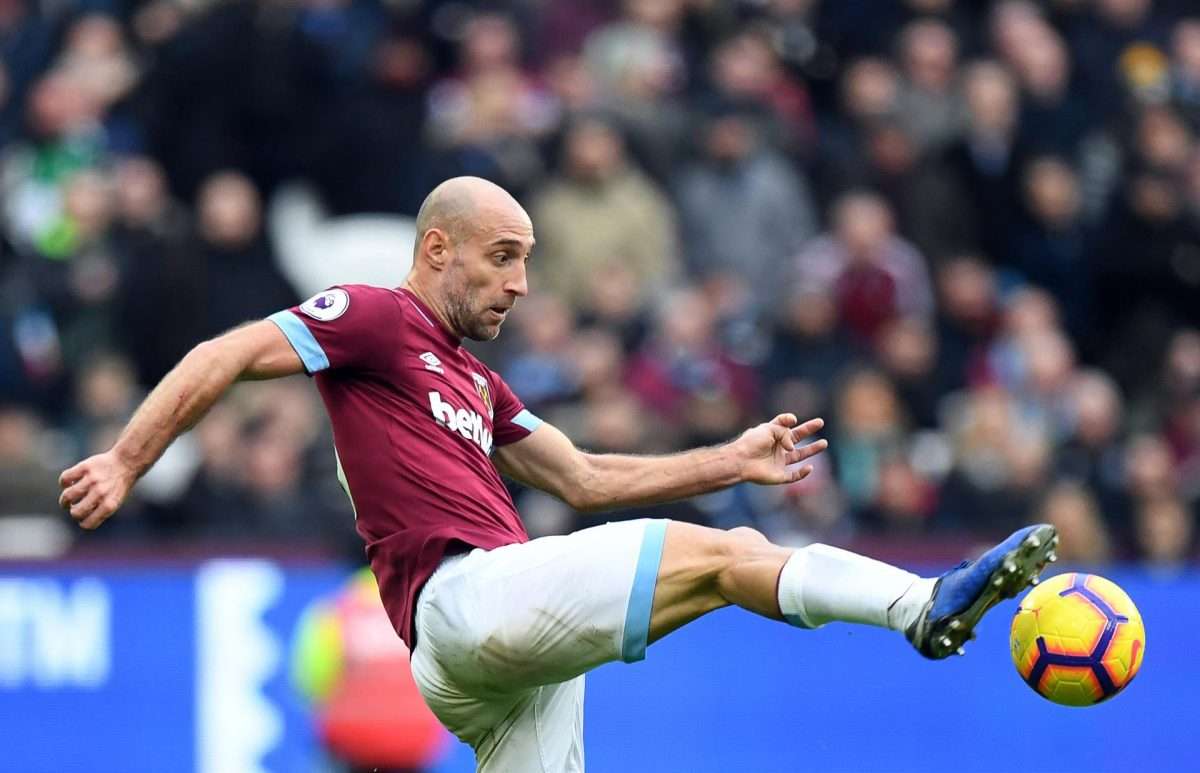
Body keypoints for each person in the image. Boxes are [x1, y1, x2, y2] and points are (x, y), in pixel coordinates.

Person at [59, 176, 1059, 772]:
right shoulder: (372, 314)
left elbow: (582, 476)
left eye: (528, 261)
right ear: (437, 247)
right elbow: (225, 353)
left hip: (491, 660)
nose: (520, 283)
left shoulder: (474, 379)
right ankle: (926, 605)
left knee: (735, 543)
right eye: (502, 257)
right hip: (465, 599)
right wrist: (124, 456)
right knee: (731, 557)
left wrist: (731, 455)